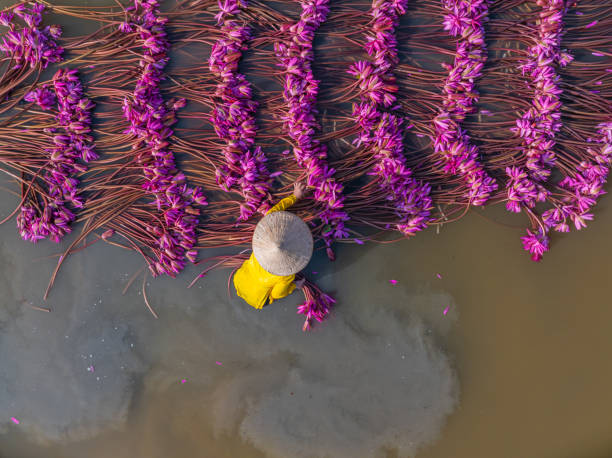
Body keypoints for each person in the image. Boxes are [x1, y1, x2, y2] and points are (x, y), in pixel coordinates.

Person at [233, 181, 313, 309]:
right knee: (277, 292)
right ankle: (297, 286)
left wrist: (294, 196)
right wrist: (293, 286)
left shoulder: (262, 239)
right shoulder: (286, 273)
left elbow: (273, 211)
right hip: (258, 299)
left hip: (239, 280)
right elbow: (277, 294)